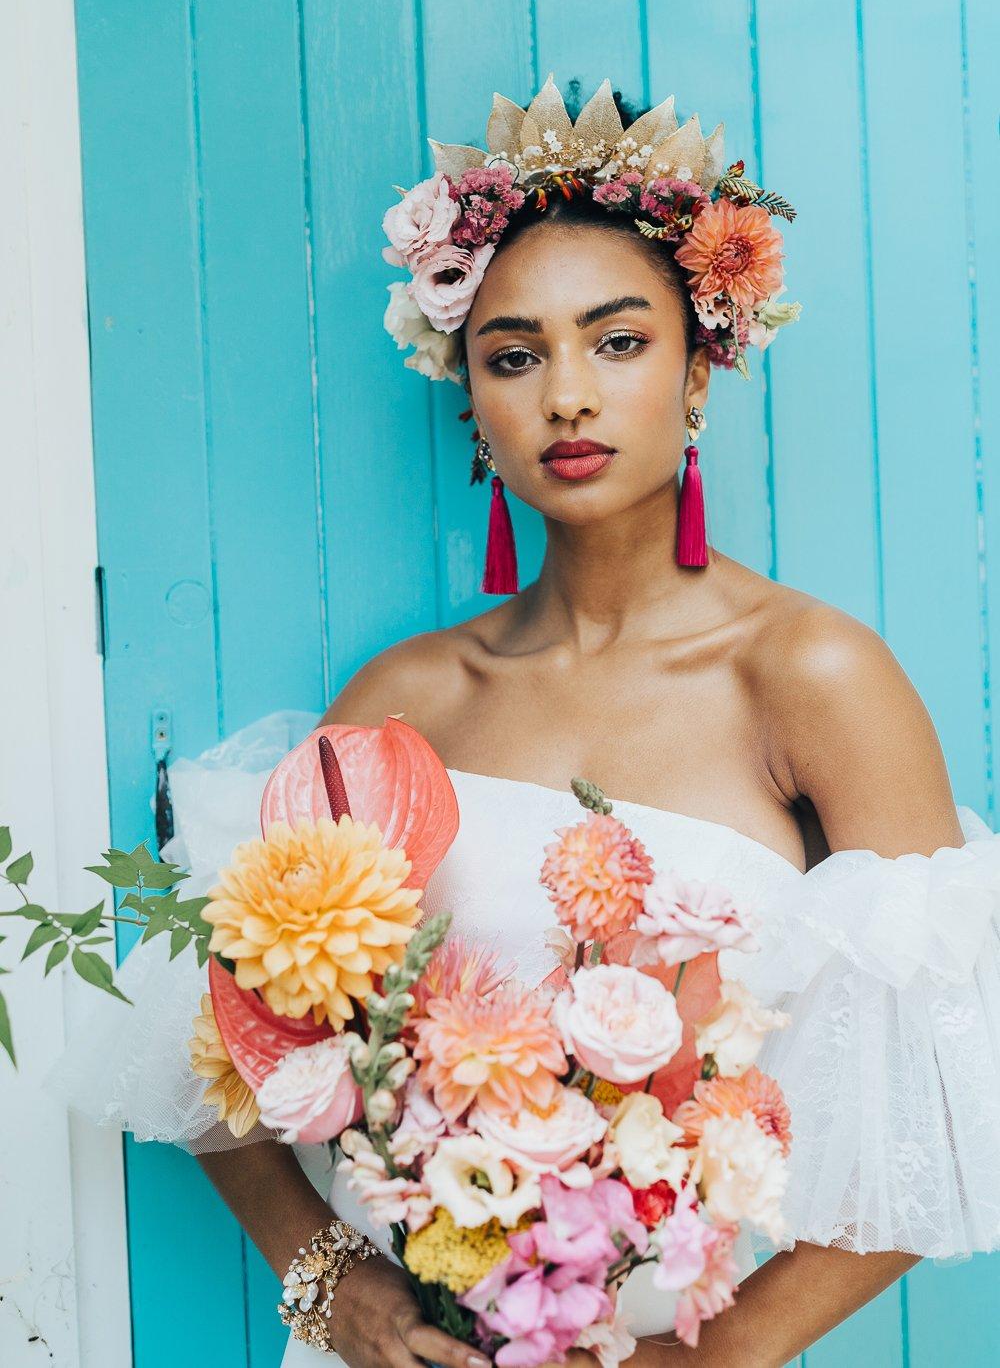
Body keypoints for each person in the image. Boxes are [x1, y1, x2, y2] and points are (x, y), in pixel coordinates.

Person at [44, 76, 1000, 1367]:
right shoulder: (406, 703)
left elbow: (950, 1097)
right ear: (472, 406)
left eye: (617, 342)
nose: (566, 395)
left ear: (697, 369)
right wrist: (332, 1283)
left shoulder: (813, 674)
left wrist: (712, 1360)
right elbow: (225, 1052)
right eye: (513, 356)